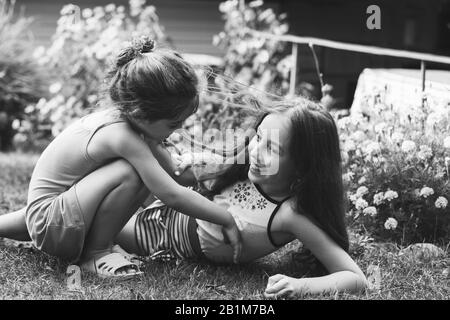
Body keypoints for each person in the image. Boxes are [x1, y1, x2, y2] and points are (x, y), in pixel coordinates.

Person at [0, 36, 242, 279]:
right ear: (141, 113)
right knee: (132, 173)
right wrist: (226, 218)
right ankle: (96, 252)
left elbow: (175, 172)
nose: (178, 129)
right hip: (52, 222)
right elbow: (170, 193)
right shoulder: (120, 135)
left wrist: (229, 165)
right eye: (174, 123)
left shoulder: (131, 122)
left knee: (135, 170)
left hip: (46, 216)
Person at [115, 97, 368, 297]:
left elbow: (355, 277)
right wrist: (147, 134)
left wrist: (301, 286)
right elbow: (177, 174)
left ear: (303, 167)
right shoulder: (243, 165)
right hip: (166, 204)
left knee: (91, 230)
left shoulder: (290, 214)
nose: (256, 151)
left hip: (162, 239)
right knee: (126, 167)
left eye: (273, 148)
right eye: (259, 137)